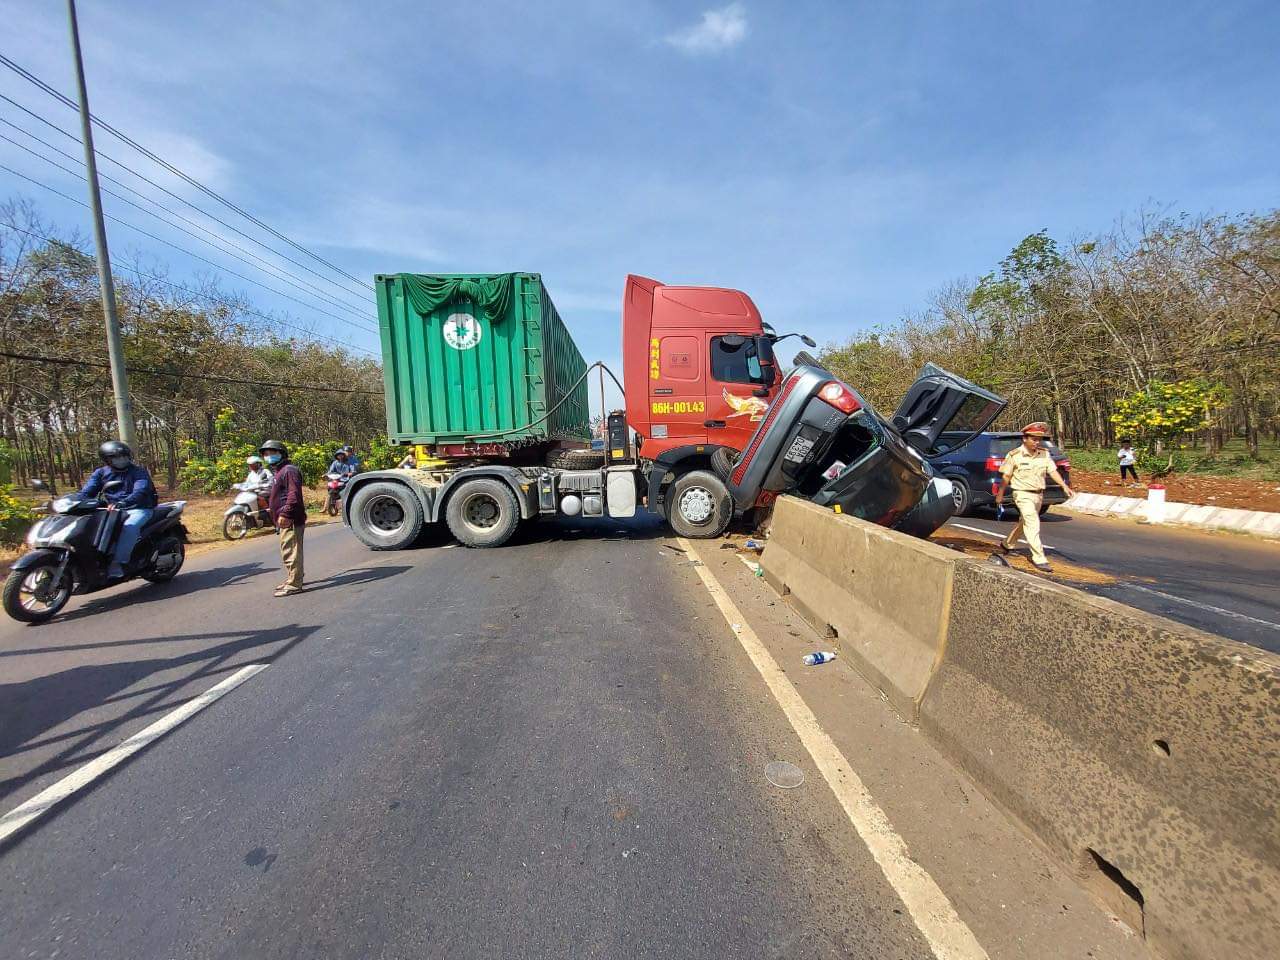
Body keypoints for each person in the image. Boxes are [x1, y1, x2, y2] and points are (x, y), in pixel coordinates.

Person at [995, 422, 1075, 573]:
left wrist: (1064, 486)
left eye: (1039, 439)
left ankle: (1007, 543)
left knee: (1024, 522)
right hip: (1022, 493)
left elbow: (1052, 471)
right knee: (1032, 523)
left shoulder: (1044, 453)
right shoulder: (1014, 455)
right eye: (1033, 439)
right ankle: (1039, 558)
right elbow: (1006, 476)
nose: (1037, 442)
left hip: (1039, 495)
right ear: (1025, 438)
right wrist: (1000, 494)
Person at [79, 440, 158, 580]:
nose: (121, 459)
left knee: (129, 527)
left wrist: (124, 502)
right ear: (107, 459)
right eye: (116, 457)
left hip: (138, 508)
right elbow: (86, 492)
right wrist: (73, 501)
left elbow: (140, 491)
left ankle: (119, 563)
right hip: (111, 509)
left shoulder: (138, 472)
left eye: (124, 456)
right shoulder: (100, 473)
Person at [260, 439, 306, 597]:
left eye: (272, 453)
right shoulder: (279, 471)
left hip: (291, 519)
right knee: (288, 550)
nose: (268, 456)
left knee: (291, 551)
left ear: (282, 454)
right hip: (283, 518)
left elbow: (293, 495)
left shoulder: (289, 470)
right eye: (266, 454)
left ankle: (295, 584)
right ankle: (293, 578)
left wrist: (286, 513)